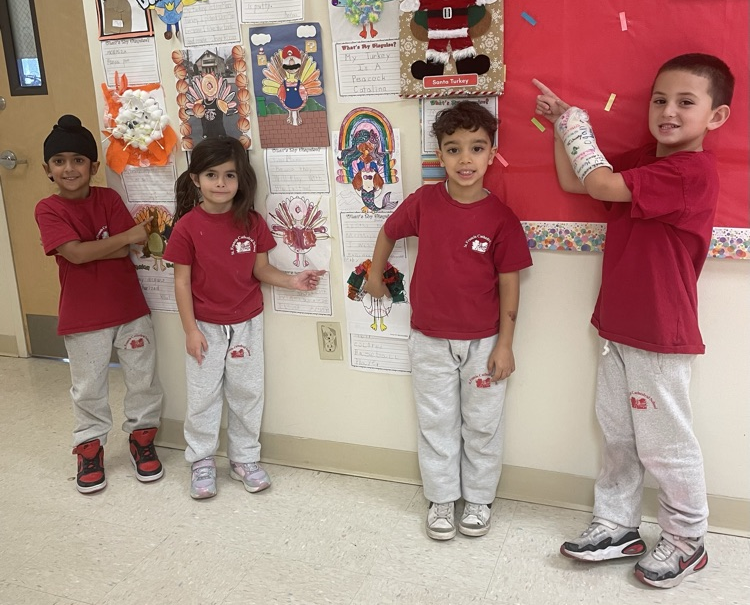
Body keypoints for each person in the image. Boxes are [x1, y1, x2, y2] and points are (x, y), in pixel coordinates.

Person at [533, 53, 733, 589]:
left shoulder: (689, 173)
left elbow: (601, 184)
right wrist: (561, 128)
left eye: (686, 102)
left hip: (659, 333)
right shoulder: (646, 161)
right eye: (660, 100)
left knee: (666, 444)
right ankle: (618, 525)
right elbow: (579, 181)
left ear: (716, 116)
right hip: (618, 326)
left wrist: (575, 123)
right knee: (619, 435)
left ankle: (687, 538)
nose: (668, 111)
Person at [365, 101, 532, 540]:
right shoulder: (424, 202)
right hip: (430, 339)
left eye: (477, 148)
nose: (465, 159)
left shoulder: (501, 218)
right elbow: (389, 231)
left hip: (485, 342)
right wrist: (375, 275)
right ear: (439, 155)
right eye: (454, 149)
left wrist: (505, 344)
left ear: (492, 154)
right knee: (436, 423)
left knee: (483, 425)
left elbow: (510, 285)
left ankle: (478, 498)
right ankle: (441, 498)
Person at [163, 136, 325, 500]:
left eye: (230, 175)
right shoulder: (187, 227)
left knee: (247, 393)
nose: (221, 183)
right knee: (203, 397)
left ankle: (245, 458)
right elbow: (181, 281)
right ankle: (201, 460)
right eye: (211, 175)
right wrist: (190, 330)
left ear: (241, 179)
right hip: (204, 326)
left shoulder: (251, 222)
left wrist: (293, 280)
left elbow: (261, 270)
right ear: (195, 179)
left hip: (247, 324)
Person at [34, 114, 164, 494]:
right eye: (59, 161)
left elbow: (126, 248)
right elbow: (75, 254)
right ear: (47, 169)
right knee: (88, 386)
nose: (69, 168)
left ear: (93, 166)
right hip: (83, 317)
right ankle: (90, 448)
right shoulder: (48, 209)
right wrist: (116, 241)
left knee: (143, 378)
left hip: (129, 309)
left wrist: (94, 247)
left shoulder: (108, 198)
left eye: (78, 160)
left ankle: (142, 438)